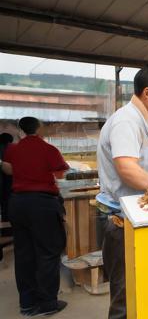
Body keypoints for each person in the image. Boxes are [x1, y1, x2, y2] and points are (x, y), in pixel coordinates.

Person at [97, 65, 148, 319]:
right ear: (147, 93)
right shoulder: (127, 121)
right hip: (124, 226)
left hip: (145, 220)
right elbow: (127, 169)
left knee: (147, 294)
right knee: (126, 300)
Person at [1, 117, 69, 316]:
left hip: (18, 203)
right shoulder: (48, 149)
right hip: (42, 204)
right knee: (48, 253)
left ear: (21, 129)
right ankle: (48, 304)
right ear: (39, 129)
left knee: (23, 254)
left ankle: (27, 303)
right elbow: (61, 173)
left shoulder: (12, 149)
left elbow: (7, 169)